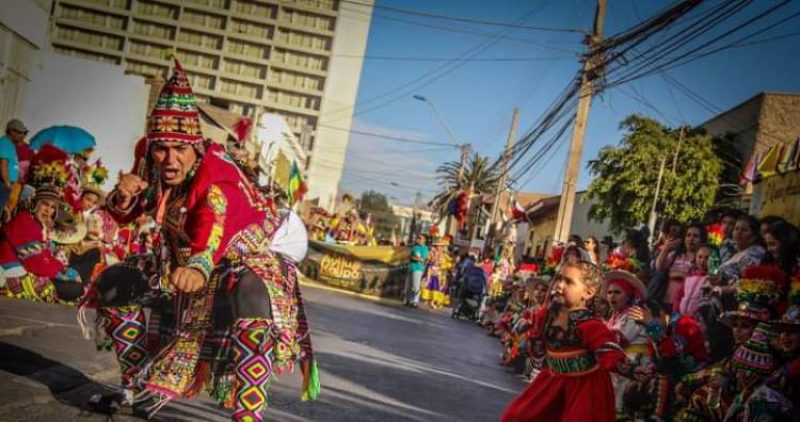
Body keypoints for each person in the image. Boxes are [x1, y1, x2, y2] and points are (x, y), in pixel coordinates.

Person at [83, 60, 318, 421]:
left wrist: (198, 264)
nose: (170, 159)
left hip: (263, 240)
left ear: (195, 147)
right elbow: (126, 212)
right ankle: (134, 386)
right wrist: (125, 196)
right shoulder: (149, 155)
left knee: (252, 287)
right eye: (163, 148)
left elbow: (214, 223)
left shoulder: (216, 175)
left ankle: (248, 412)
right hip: (187, 249)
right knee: (114, 283)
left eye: (180, 149)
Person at [500, 261, 647, 422]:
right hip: (552, 381)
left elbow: (608, 351)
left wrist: (631, 369)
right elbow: (539, 349)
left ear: (588, 292)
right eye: (559, 279)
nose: (560, 286)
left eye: (569, 282)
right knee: (517, 416)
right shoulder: (546, 316)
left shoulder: (590, 325)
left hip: (585, 388)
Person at [602, 270, 650, 419]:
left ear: (628, 295)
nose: (611, 296)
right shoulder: (614, 315)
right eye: (609, 292)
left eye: (617, 292)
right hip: (620, 361)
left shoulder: (635, 313)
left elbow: (620, 339)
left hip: (634, 362)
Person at [655, 222, 707, 313]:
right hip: (665, 301)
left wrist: (678, 274)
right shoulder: (676, 255)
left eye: (695, 236)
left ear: (702, 240)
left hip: (684, 307)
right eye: (688, 235)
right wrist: (666, 249)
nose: (691, 238)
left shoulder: (702, 260)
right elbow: (659, 267)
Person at [0, 119, 28, 219]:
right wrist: (7, 183)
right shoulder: (5, 143)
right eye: (21, 132)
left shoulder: (10, 145)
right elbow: (3, 164)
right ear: (12, 131)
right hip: (3, 184)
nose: (23, 135)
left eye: (24, 133)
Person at [403, 234, 428, 308]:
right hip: (411, 267)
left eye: (420, 238)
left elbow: (422, 259)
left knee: (416, 286)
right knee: (408, 285)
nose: (418, 239)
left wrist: (413, 258)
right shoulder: (414, 247)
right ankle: (407, 300)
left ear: (424, 240)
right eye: (418, 238)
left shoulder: (424, 248)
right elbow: (410, 256)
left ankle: (415, 301)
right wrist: (412, 257)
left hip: (418, 268)